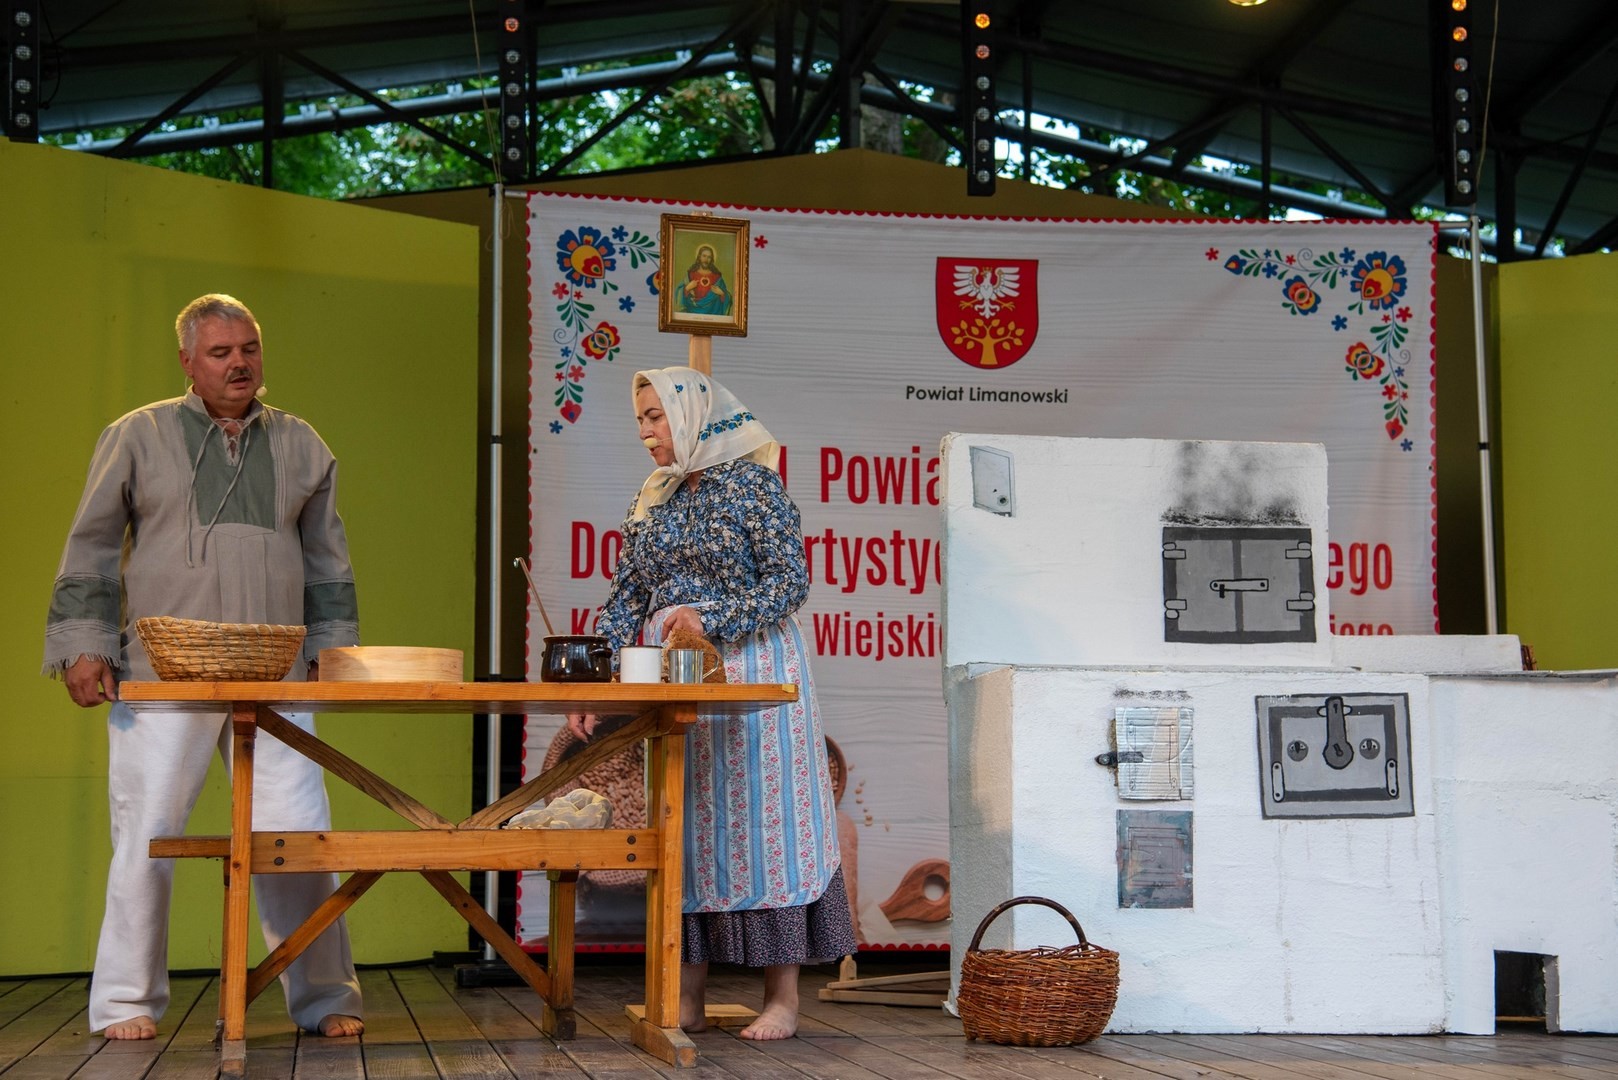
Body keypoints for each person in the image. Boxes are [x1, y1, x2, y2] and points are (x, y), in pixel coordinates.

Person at [42, 294, 365, 1041]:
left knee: (298, 836)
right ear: (188, 361)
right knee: (148, 832)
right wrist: (85, 644)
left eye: (249, 348)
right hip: (162, 671)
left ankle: (326, 998)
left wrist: (332, 655)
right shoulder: (138, 435)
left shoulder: (302, 444)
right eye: (220, 352)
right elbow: (91, 545)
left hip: (277, 672)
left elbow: (329, 561)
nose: (239, 363)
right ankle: (124, 1001)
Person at [567, 366, 854, 1041]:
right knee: (688, 828)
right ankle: (687, 995)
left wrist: (710, 613)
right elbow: (627, 596)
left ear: (690, 416)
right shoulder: (654, 498)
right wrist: (595, 678)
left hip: (755, 668)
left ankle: (783, 999)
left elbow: (789, 582)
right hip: (678, 675)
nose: (646, 432)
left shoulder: (753, 485)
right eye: (640, 420)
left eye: (656, 417)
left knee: (769, 830)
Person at [676, 244, 732, 316]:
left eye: (709, 257)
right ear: (699, 257)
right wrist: (687, 288)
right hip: (692, 311)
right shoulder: (691, 274)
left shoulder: (717, 277)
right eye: (704, 256)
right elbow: (679, 293)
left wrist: (722, 293)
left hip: (713, 312)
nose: (706, 260)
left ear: (711, 259)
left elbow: (727, 298)